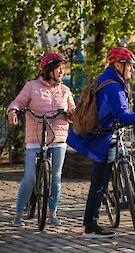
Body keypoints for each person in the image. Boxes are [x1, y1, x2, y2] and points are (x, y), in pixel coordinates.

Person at [67, 47, 135, 238]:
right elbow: (123, 116)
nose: (132, 70)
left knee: (100, 180)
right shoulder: (113, 86)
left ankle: (100, 213)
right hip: (102, 138)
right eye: (129, 66)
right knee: (99, 183)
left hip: (101, 135)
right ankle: (90, 226)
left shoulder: (106, 79)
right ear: (118, 65)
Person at [7, 53, 75, 226]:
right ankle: (18, 214)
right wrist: (13, 112)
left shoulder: (65, 90)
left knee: (56, 177)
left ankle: (52, 212)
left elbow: (74, 110)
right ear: (48, 70)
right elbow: (18, 103)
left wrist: (73, 114)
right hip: (35, 138)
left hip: (58, 138)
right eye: (58, 68)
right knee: (29, 177)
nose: (61, 71)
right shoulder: (32, 86)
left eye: (62, 68)